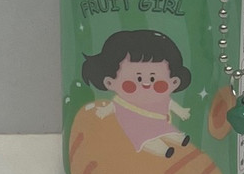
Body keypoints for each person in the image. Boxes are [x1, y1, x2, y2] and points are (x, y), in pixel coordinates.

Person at [82, 30, 192, 158]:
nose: (146, 84)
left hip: (159, 123)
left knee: (167, 130)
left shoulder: (161, 99)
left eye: (153, 78)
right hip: (137, 128)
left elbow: (170, 104)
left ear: (174, 82)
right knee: (147, 140)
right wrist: (104, 111)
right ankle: (164, 151)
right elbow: (113, 106)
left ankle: (179, 139)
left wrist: (181, 111)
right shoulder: (121, 102)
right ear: (110, 82)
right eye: (138, 78)